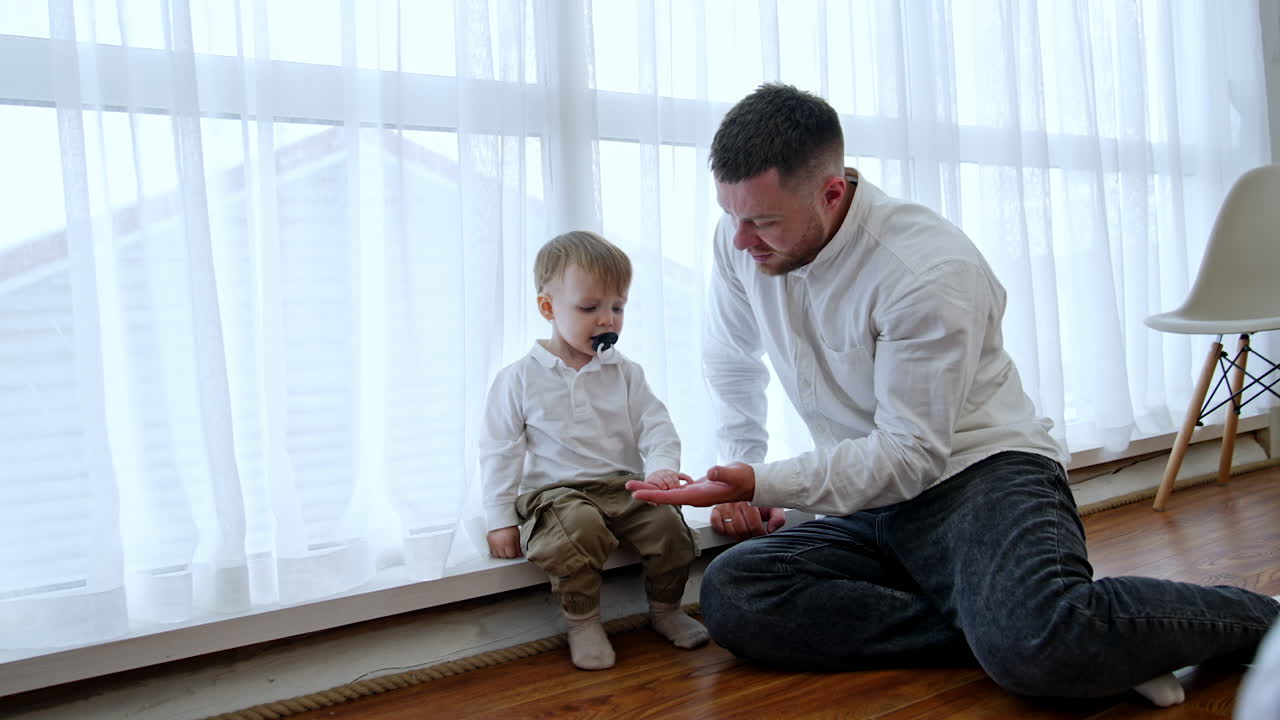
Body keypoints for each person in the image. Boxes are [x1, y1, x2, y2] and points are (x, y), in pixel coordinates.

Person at [626, 83, 1280, 705]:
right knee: (736, 593)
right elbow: (731, 359)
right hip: (872, 500)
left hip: (979, 476)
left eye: (762, 222)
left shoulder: (927, 271)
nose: (741, 241)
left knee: (1035, 642)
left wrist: (759, 482)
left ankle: (1261, 623)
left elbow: (910, 457)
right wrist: (742, 461)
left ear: (831, 192)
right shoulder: (741, 240)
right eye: (731, 217)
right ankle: (1044, 635)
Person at [480, 230, 709, 671]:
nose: (607, 319)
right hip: (556, 494)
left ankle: (665, 610)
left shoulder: (625, 373)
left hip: (621, 485)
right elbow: (499, 450)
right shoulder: (519, 378)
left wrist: (661, 469)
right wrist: (499, 519)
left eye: (617, 307)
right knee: (576, 529)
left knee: (669, 527)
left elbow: (658, 429)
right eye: (590, 308)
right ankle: (583, 622)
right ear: (548, 307)